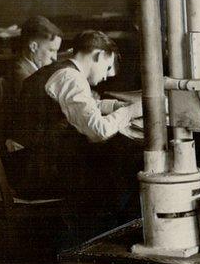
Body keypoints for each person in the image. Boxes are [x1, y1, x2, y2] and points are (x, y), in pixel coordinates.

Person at [11, 30, 142, 201]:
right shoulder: (70, 77)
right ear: (99, 55)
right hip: (35, 173)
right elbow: (98, 131)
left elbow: (78, 107)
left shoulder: (58, 69)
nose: (105, 77)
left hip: (27, 163)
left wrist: (117, 106)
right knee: (126, 165)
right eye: (107, 68)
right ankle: (111, 224)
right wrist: (130, 111)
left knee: (114, 161)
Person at [0, 15, 63, 143]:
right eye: (51, 50)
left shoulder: (23, 67)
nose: (55, 58)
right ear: (33, 47)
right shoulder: (23, 76)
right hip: (17, 146)